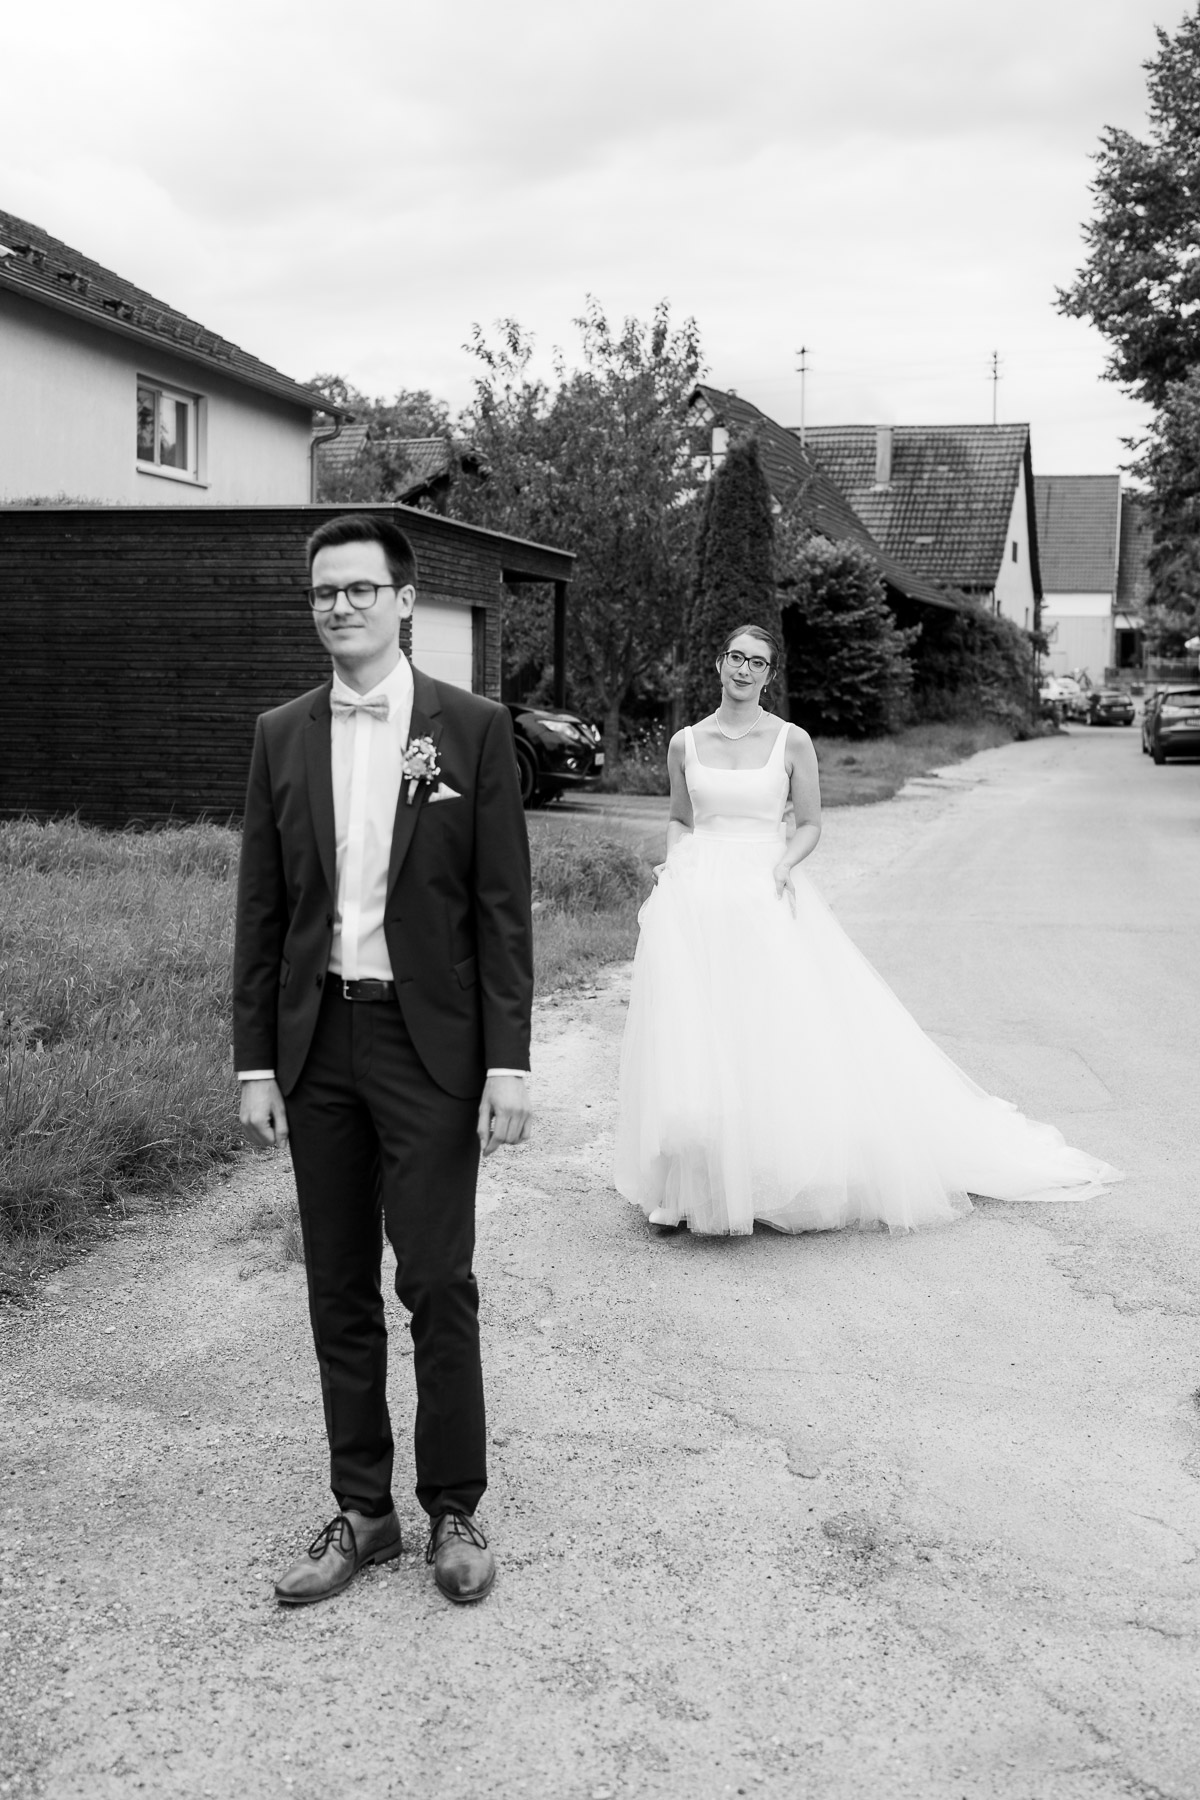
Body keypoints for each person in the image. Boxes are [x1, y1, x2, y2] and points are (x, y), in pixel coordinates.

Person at [234, 514, 533, 1606]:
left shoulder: (473, 729)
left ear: (405, 601)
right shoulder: (279, 734)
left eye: (360, 589)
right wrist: (254, 1064)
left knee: (438, 1280)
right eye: (324, 591)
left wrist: (509, 1062)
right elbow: (262, 911)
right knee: (337, 1285)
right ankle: (364, 1510)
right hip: (317, 1045)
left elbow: (501, 911)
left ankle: (454, 1504)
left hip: (430, 1046)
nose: (340, 607)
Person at [613, 624, 1120, 1236]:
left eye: (757, 662)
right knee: (694, 1035)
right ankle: (686, 1184)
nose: (744, 670)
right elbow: (678, 818)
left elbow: (809, 824)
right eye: (735, 658)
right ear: (719, 665)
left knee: (761, 1032)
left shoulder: (792, 741)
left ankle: (755, 1175)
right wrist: (676, 867)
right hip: (696, 899)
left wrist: (783, 866)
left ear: (770, 676)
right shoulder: (685, 743)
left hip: (763, 892)